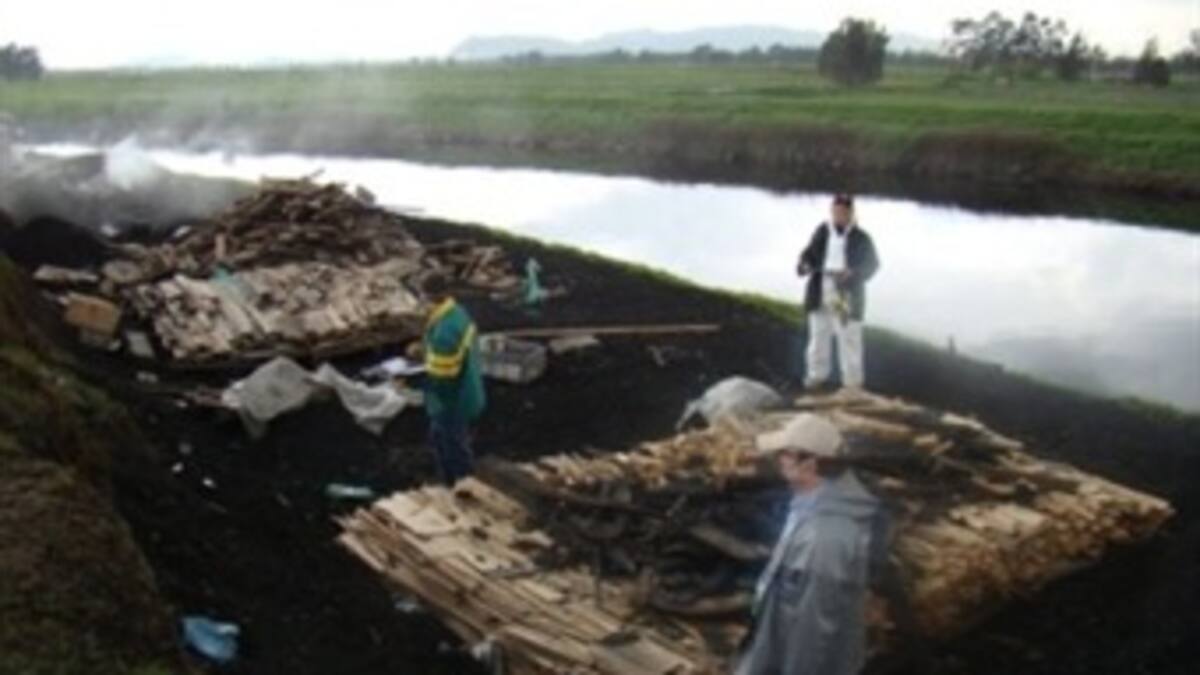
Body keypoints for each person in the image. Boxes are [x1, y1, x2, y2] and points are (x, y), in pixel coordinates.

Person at [735, 413, 882, 675]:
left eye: (787, 454)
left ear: (811, 463)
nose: (779, 459)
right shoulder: (808, 504)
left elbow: (813, 634)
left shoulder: (825, 539)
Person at [797, 194, 880, 390]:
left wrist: (853, 273)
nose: (838, 216)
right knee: (818, 335)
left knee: (848, 336)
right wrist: (804, 264)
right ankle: (816, 377)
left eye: (843, 212)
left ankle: (852, 383)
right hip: (821, 288)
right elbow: (808, 254)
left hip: (844, 293)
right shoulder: (822, 232)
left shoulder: (861, 238)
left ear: (850, 213)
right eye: (835, 212)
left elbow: (872, 264)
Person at [421, 276, 486, 486]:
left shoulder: (444, 333)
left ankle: (460, 485)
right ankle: (455, 479)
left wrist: (415, 385)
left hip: (451, 401)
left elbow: (443, 379)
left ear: (428, 298)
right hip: (469, 387)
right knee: (446, 438)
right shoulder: (458, 313)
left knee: (451, 444)